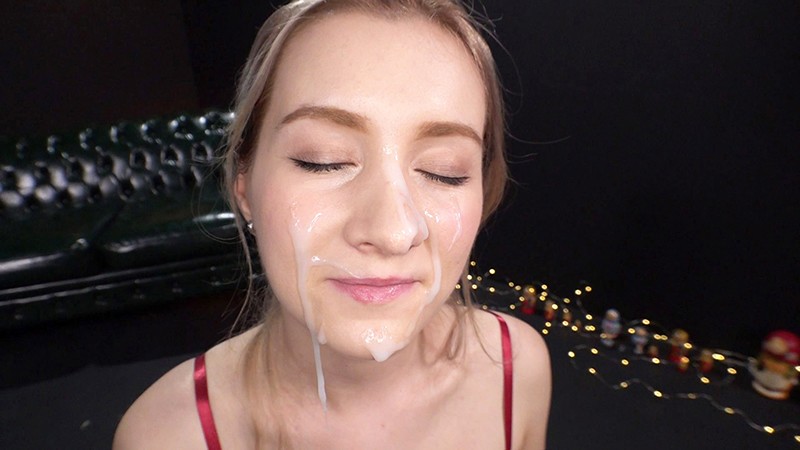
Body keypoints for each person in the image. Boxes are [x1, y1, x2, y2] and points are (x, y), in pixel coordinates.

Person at [113, 0, 551, 448]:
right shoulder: (165, 437)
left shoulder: (516, 369)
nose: (392, 231)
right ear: (243, 185)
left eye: (444, 171)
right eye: (323, 161)